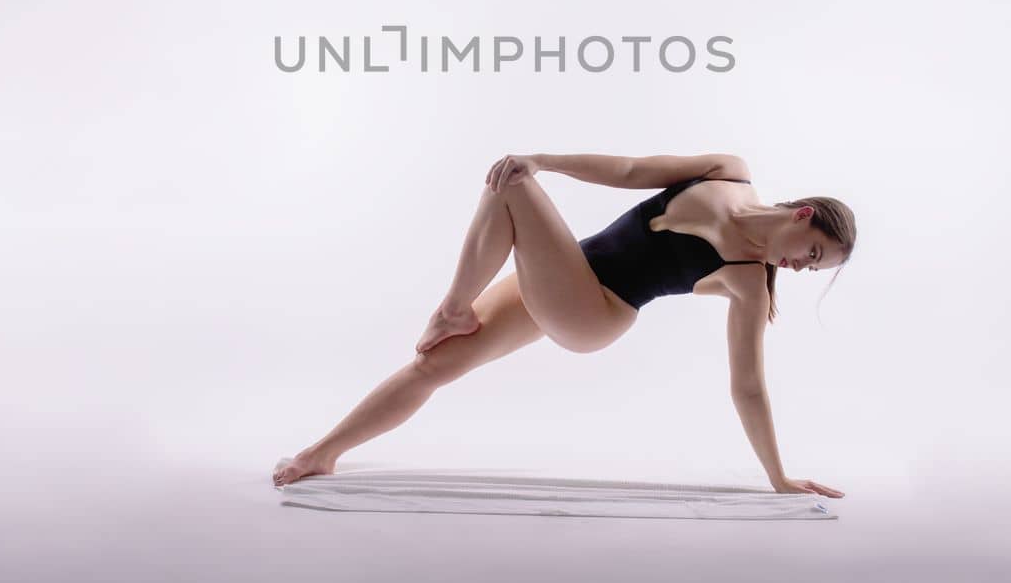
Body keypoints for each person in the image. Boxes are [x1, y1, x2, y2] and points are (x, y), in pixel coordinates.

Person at [271, 152, 856, 497]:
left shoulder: (747, 279)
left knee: (514, 184)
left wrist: (779, 478)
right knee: (433, 367)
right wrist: (545, 156)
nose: (800, 268)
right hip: (567, 271)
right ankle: (324, 452)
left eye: (812, 268)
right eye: (812, 254)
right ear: (804, 216)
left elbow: (747, 386)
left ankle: (454, 305)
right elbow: (629, 170)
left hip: (593, 313)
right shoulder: (726, 171)